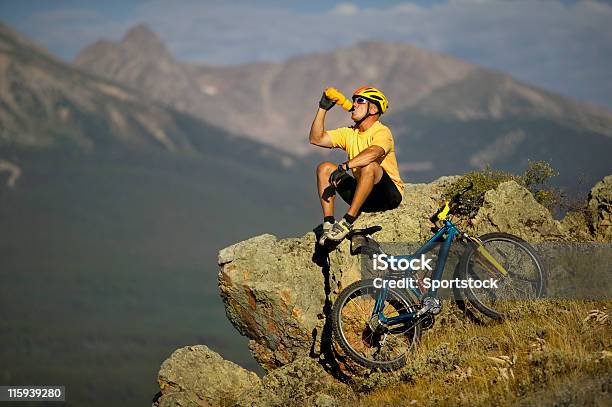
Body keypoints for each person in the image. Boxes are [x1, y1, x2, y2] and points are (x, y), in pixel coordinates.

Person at [309, 86, 404, 244]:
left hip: (388, 195)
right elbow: (316, 139)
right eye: (353, 100)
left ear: (373, 109)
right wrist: (322, 108)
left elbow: (374, 152)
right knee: (324, 168)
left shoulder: (382, 131)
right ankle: (329, 223)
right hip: (364, 195)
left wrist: (345, 167)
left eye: (360, 101)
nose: (354, 104)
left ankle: (347, 221)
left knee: (370, 165)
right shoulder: (350, 133)